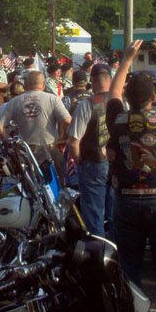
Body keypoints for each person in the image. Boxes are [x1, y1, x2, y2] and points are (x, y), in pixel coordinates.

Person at [106, 39, 156, 312]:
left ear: (129, 99)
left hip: (126, 202)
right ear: (153, 97)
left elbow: (113, 93)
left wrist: (127, 58)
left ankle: (132, 311)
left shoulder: (117, 119)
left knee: (129, 268)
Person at [0, 70, 71, 185]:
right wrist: (63, 137)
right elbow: (67, 120)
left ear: (25, 85)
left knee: (30, 186)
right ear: (44, 84)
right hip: (50, 148)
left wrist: (9, 143)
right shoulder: (52, 99)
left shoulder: (15, 101)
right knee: (58, 184)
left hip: (25, 151)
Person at [66, 63, 114, 237]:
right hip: (116, 164)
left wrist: (78, 160)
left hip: (93, 163)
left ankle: (99, 253)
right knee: (115, 212)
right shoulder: (121, 101)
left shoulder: (86, 104)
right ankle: (117, 252)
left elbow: (73, 142)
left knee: (94, 214)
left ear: (92, 81)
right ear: (110, 79)